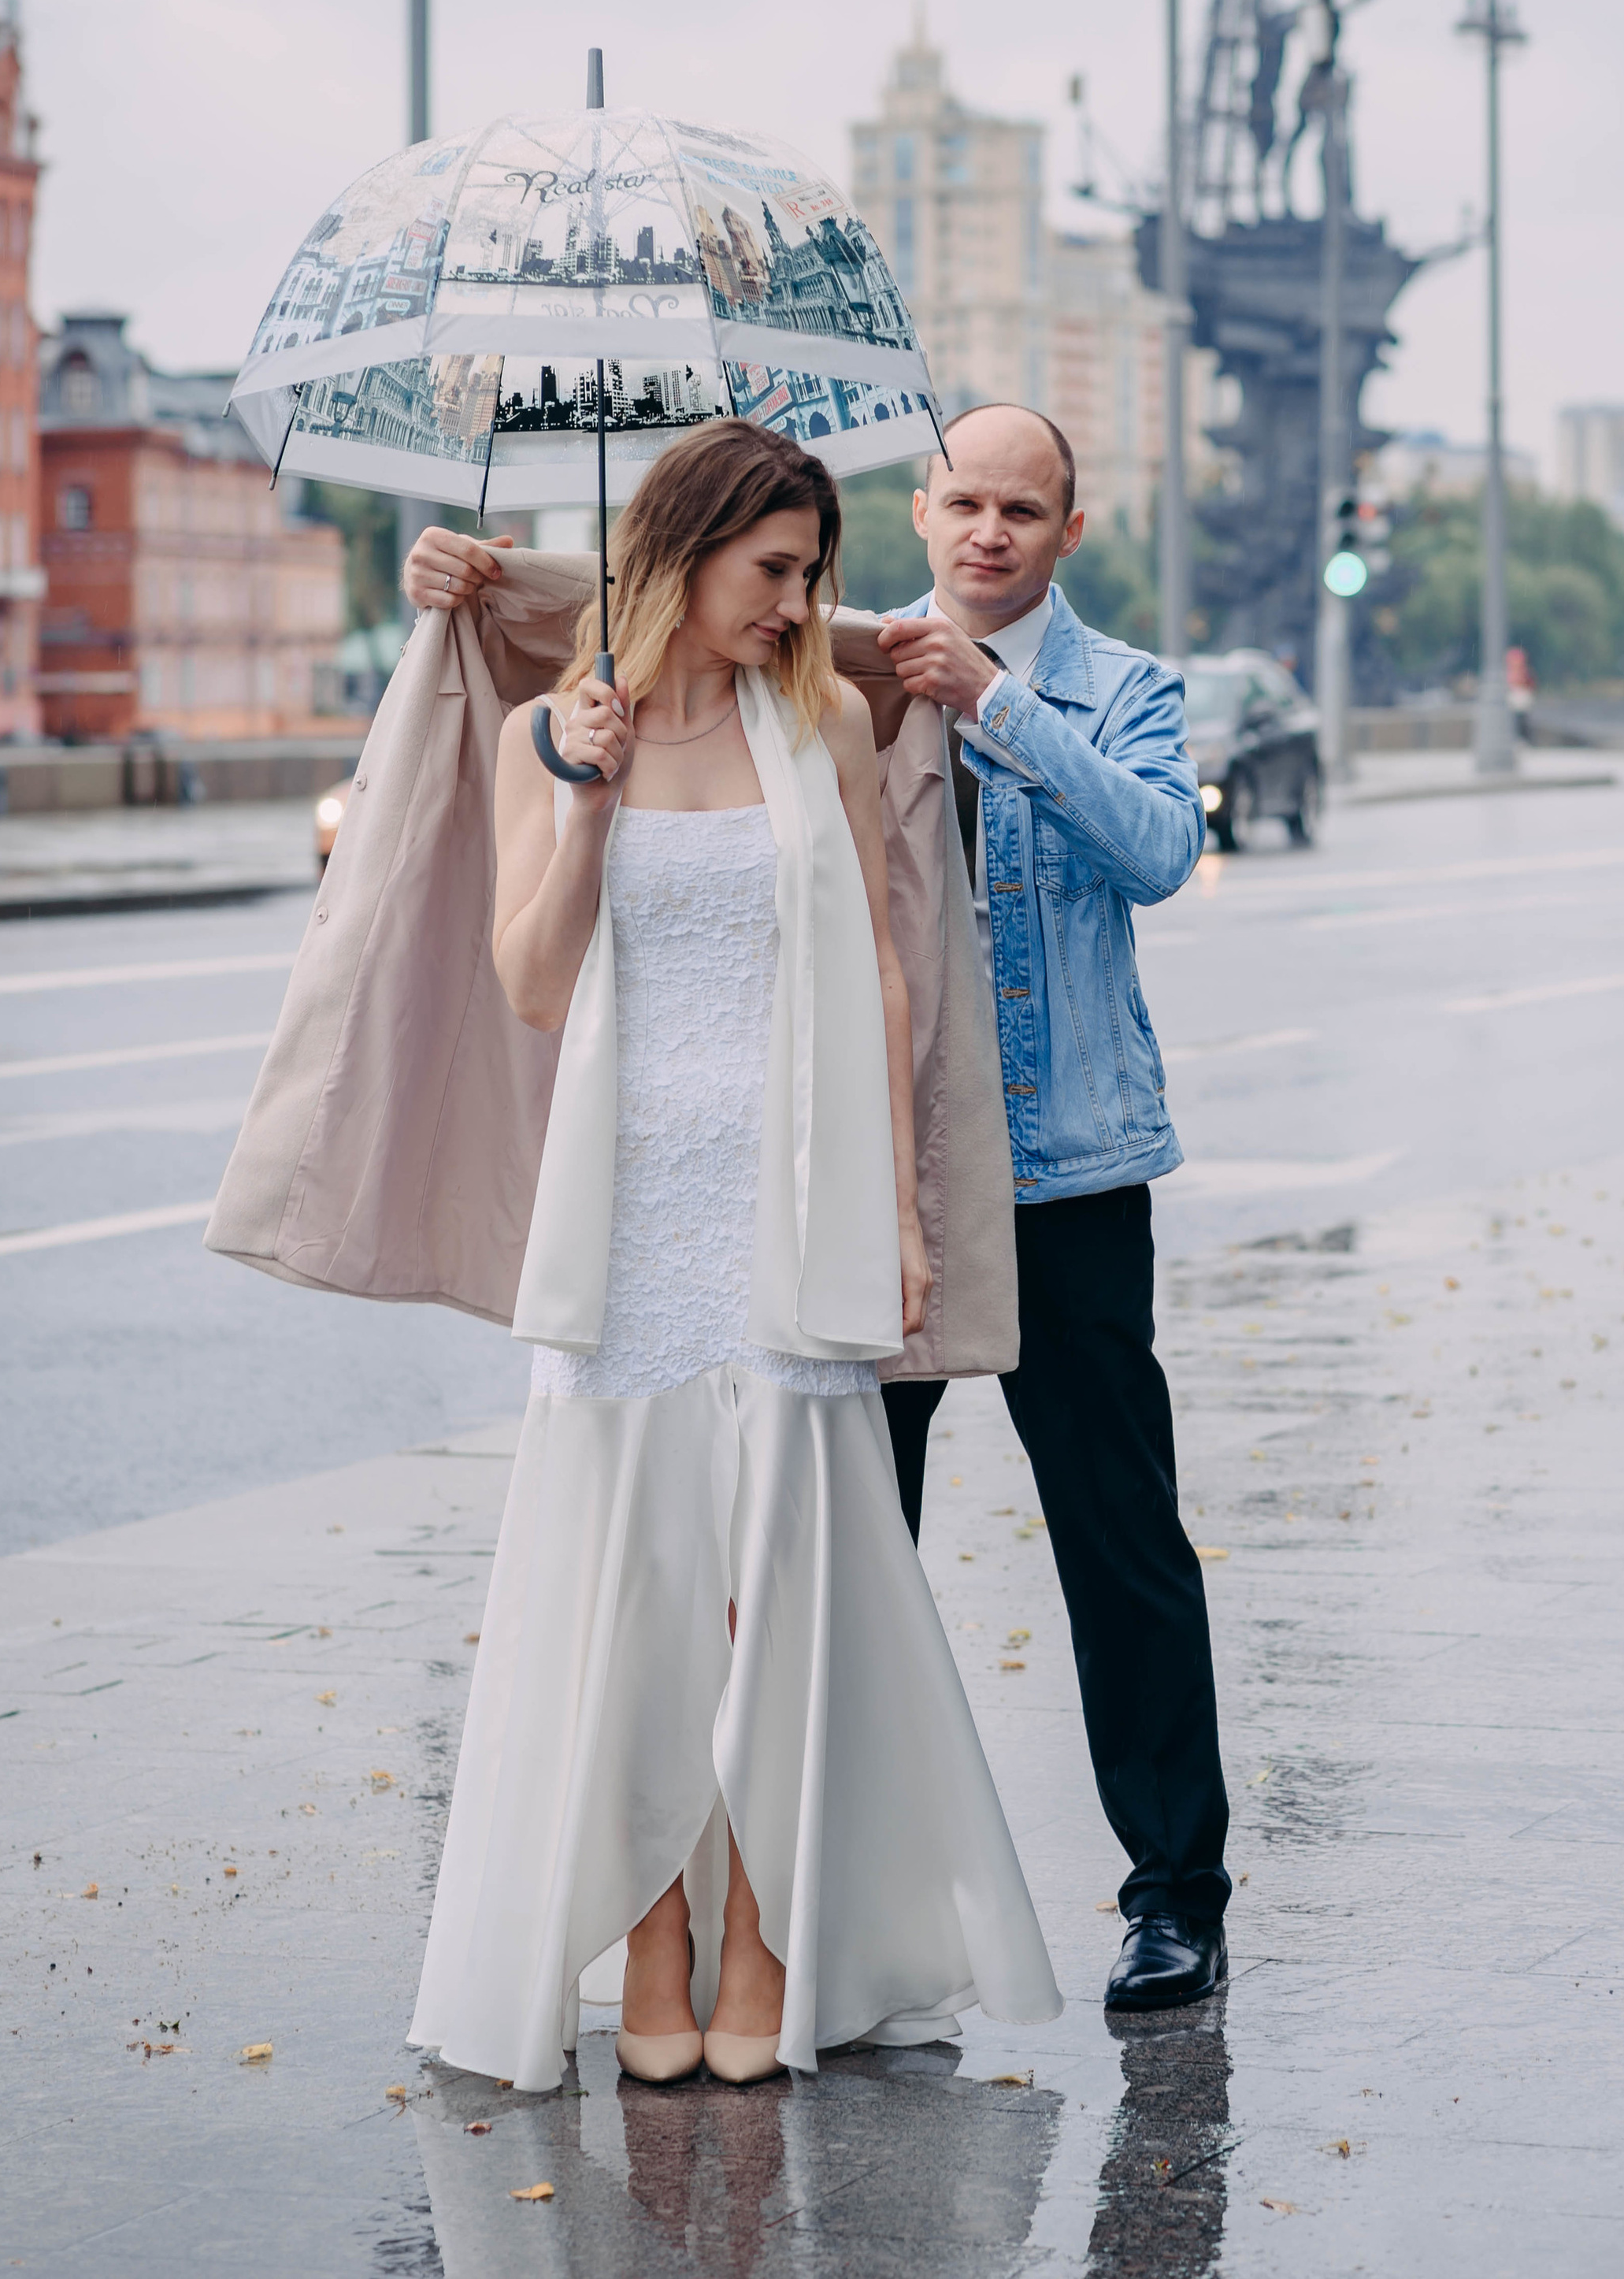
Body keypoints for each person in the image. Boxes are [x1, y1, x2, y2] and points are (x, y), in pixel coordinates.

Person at [405, 421, 1059, 2092]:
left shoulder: (823, 720)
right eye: (772, 572)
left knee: (773, 1588)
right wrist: (582, 801)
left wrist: (905, 1212)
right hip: (619, 1216)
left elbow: (886, 972)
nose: (794, 604)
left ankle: (761, 1926)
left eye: (810, 576)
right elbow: (536, 986)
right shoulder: (552, 731)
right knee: (634, 1593)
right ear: (685, 552)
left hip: (781, 1204)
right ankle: (644, 1930)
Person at [871, 403, 1230, 2015]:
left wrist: (999, 708)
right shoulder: (840, 671)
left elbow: (1160, 852)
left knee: (1115, 1546)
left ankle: (1172, 1896)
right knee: (849, 1544)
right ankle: (848, 1900)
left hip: (1064, 1179)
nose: (988, 533)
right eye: (963, 502)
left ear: (1067, 532)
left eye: (1022, 509)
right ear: (919, 508)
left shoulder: (1122, 692)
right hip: (877, 1185)